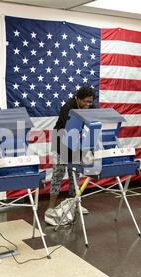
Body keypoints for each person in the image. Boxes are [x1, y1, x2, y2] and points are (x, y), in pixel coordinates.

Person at [44, 86, 95, 225]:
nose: (88, 105)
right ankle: (51, 206)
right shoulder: (67, 108)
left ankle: (75, 204)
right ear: (77, 98)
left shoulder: (89, 106)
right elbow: (67, 131)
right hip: (61, 139)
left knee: (75, 175)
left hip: (76, 141)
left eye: (90, 102)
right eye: (85, 101)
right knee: (58, 174)